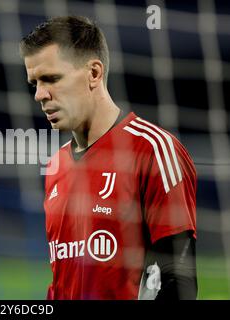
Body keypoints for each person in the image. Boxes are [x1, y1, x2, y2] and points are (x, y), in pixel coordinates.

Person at [20, 16, 197, 300]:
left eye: (51, 78)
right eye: (35, 83)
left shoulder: (153, 150)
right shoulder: (56, 166)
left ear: (94, 73)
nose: (40, 94)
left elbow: (179, 281)